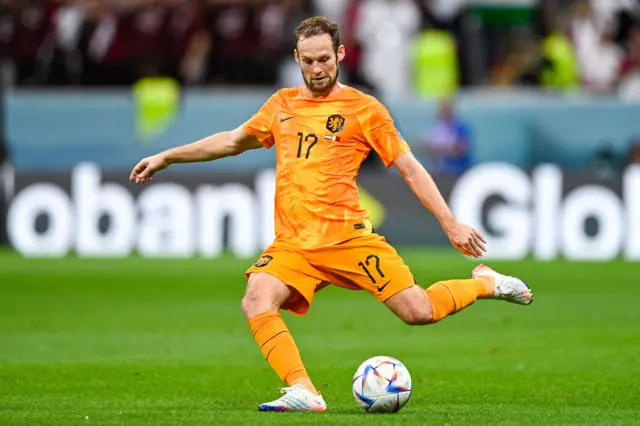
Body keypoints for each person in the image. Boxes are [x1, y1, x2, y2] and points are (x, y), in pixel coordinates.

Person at [130, 16, 533, 413]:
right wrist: (167, 156)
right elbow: (234, 141)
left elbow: (410, 168)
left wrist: (450, 221)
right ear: (296, 58)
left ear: (340, 54)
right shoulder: (282, 105)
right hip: (295, 245)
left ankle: (485, 283)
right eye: (308, 61)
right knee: (256, 298)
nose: (316, 68)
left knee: (418, 311)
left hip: (348, 239)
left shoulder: (365, 109)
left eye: (324, 58)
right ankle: (304, 390)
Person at [420, 99, 472, 175]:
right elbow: (426, 147)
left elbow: (461, 149)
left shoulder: (461, 127)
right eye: (442, 110)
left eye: (447, 110)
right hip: (442, 170)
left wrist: (439, 148)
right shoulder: (437, 126)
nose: (444, 113)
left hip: (459, 170)